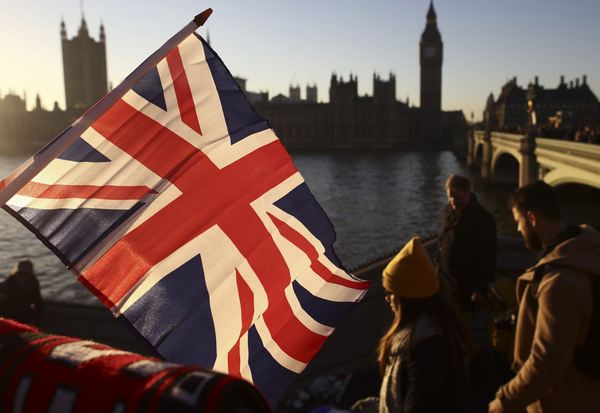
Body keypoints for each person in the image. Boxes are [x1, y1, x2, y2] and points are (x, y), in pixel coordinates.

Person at [489, 181, 600, 413]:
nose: (518, 230)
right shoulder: (586, 253)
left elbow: (546, 364)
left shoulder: (558, 284)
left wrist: (504, 402)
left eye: (518, 221)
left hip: (561, 402)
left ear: (532, 218)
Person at [354, 237, 468, 413]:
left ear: (406, 299)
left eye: (390, 292)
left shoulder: (425, 350)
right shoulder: (437, 331)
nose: (387, 299)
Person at [438, 174, 497, 313]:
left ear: (468, 193)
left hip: (466, 287)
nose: (453, 202)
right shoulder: (448, 212)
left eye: (458, 198)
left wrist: (481, 290)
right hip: (445, 283)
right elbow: (442, 241)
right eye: (450, 197)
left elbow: (488, 257)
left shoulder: (483, 219)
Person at [0, 259, 42, 325]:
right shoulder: (10, 281)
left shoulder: (33, 282)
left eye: (25, 274)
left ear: (30, 274)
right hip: (9, 312)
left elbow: (38, 302)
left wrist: (35, 320)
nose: (21, 276)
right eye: (19, 273)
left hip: (25, 311)